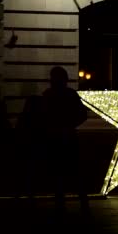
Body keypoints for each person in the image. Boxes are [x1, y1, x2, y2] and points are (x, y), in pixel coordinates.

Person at [40, 66, 89, 211]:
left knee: (58, 176)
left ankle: (60, 205)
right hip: (68, 138)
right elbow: (82, 115)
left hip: (55, 139)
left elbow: (43, 117)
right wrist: (70, 124)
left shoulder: (48, 95)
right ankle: (83, 204)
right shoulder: (70, 94)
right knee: (76, 174)